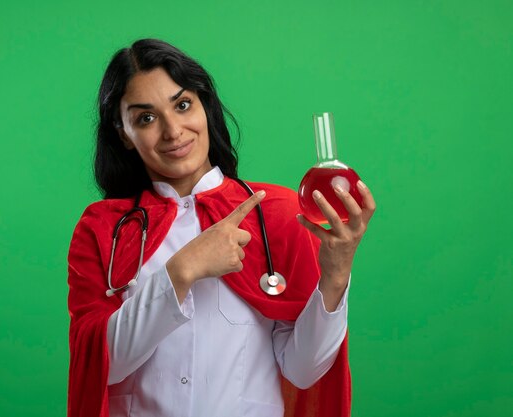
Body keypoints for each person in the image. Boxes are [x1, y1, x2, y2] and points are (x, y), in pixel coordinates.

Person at [67, 39, 376, 417]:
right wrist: (182, 272)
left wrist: (335, 274)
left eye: (182, 105)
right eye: (146, 118)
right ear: (123, 134)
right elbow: (101, 365)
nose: (173, 131)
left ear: (204, 106)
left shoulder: (275, 214)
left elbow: (303, 369)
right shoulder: (104, 228)